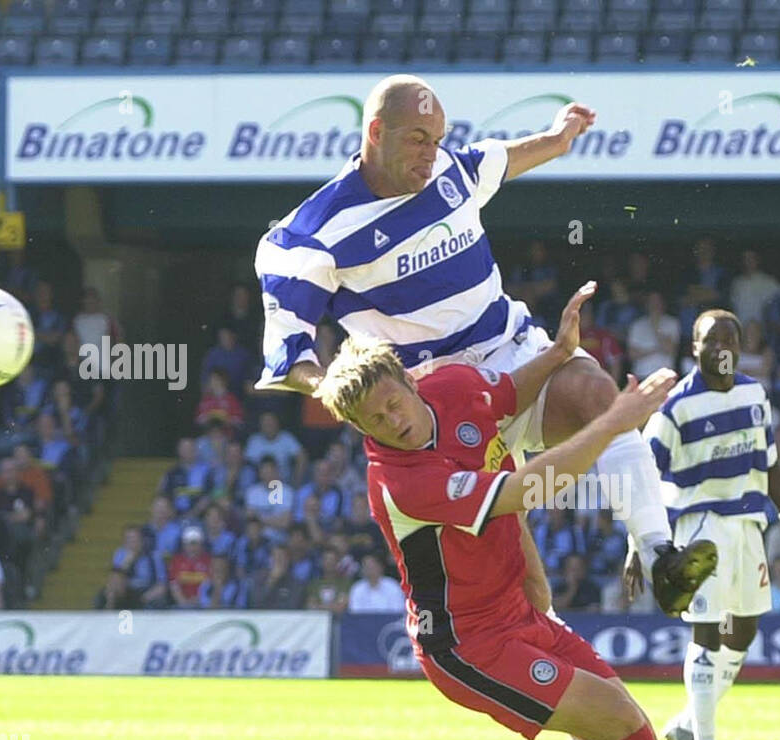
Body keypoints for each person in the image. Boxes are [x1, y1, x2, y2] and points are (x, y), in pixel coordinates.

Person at [314, 283, 780, 740]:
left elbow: (508, 393)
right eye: (371, 422)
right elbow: (523, 491)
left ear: (407, 381)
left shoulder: (454, 386)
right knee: (618, 723)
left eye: (391, 405)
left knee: (618, 735)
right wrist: (614, 420)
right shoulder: (400, 481)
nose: (391, 424)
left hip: (517, 612)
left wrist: (559, 354)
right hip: (467, 645)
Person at [255, 75, 715, 619]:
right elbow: (290, 355)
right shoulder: (310, 234)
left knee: (603, 399)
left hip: (514, 355)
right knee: (528, 593)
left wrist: (558, 138)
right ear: (376, 132)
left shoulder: (449, 170)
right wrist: (340, 388)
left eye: (439, 138)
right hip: (440, 408)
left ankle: (660, 554)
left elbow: (499, 159)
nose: (432, 154)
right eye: (417, 139)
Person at [645, 309, 780, 740]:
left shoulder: (752, 393)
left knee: (744, 630)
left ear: (740, 348)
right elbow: (643, 475)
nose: (721, 349)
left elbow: (770, 463)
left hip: (747, 526)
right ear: (693, 348)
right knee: (708, 630)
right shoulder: (675, 407)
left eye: (730, 341)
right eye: (710, 341)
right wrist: (637, 545)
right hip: (700, 526)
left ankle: (686, 723)